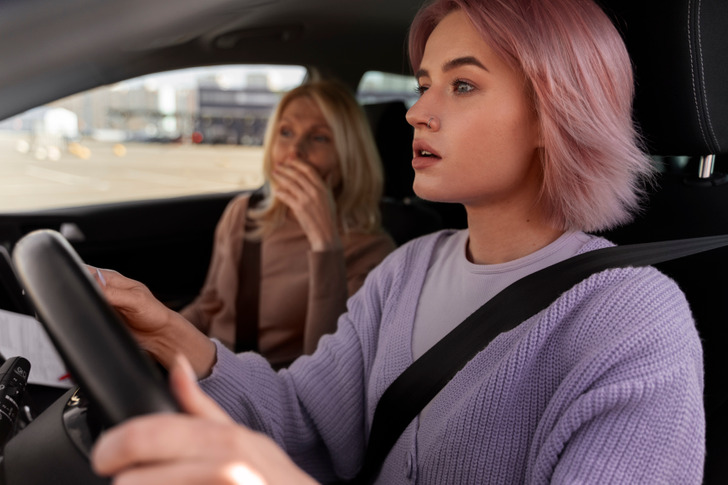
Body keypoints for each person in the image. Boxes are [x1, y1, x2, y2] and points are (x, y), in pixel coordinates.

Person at [89, 0, 705, 483]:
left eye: (462, 86)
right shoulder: (406, 270)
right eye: (423, 84)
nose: (415, 111)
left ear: (555, 115)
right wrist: (166, 333)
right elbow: (304, 421)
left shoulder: (632, 320)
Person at [180, 79, 395, 368]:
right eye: (286, 132)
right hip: (205, 374)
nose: (294, 151)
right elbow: (209, 306)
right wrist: (153, 339)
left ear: (349, 157)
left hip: (277, 389)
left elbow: (328, 369)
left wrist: (325, 244)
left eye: (319, 138)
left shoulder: (374, 252)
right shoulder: (243, 212)